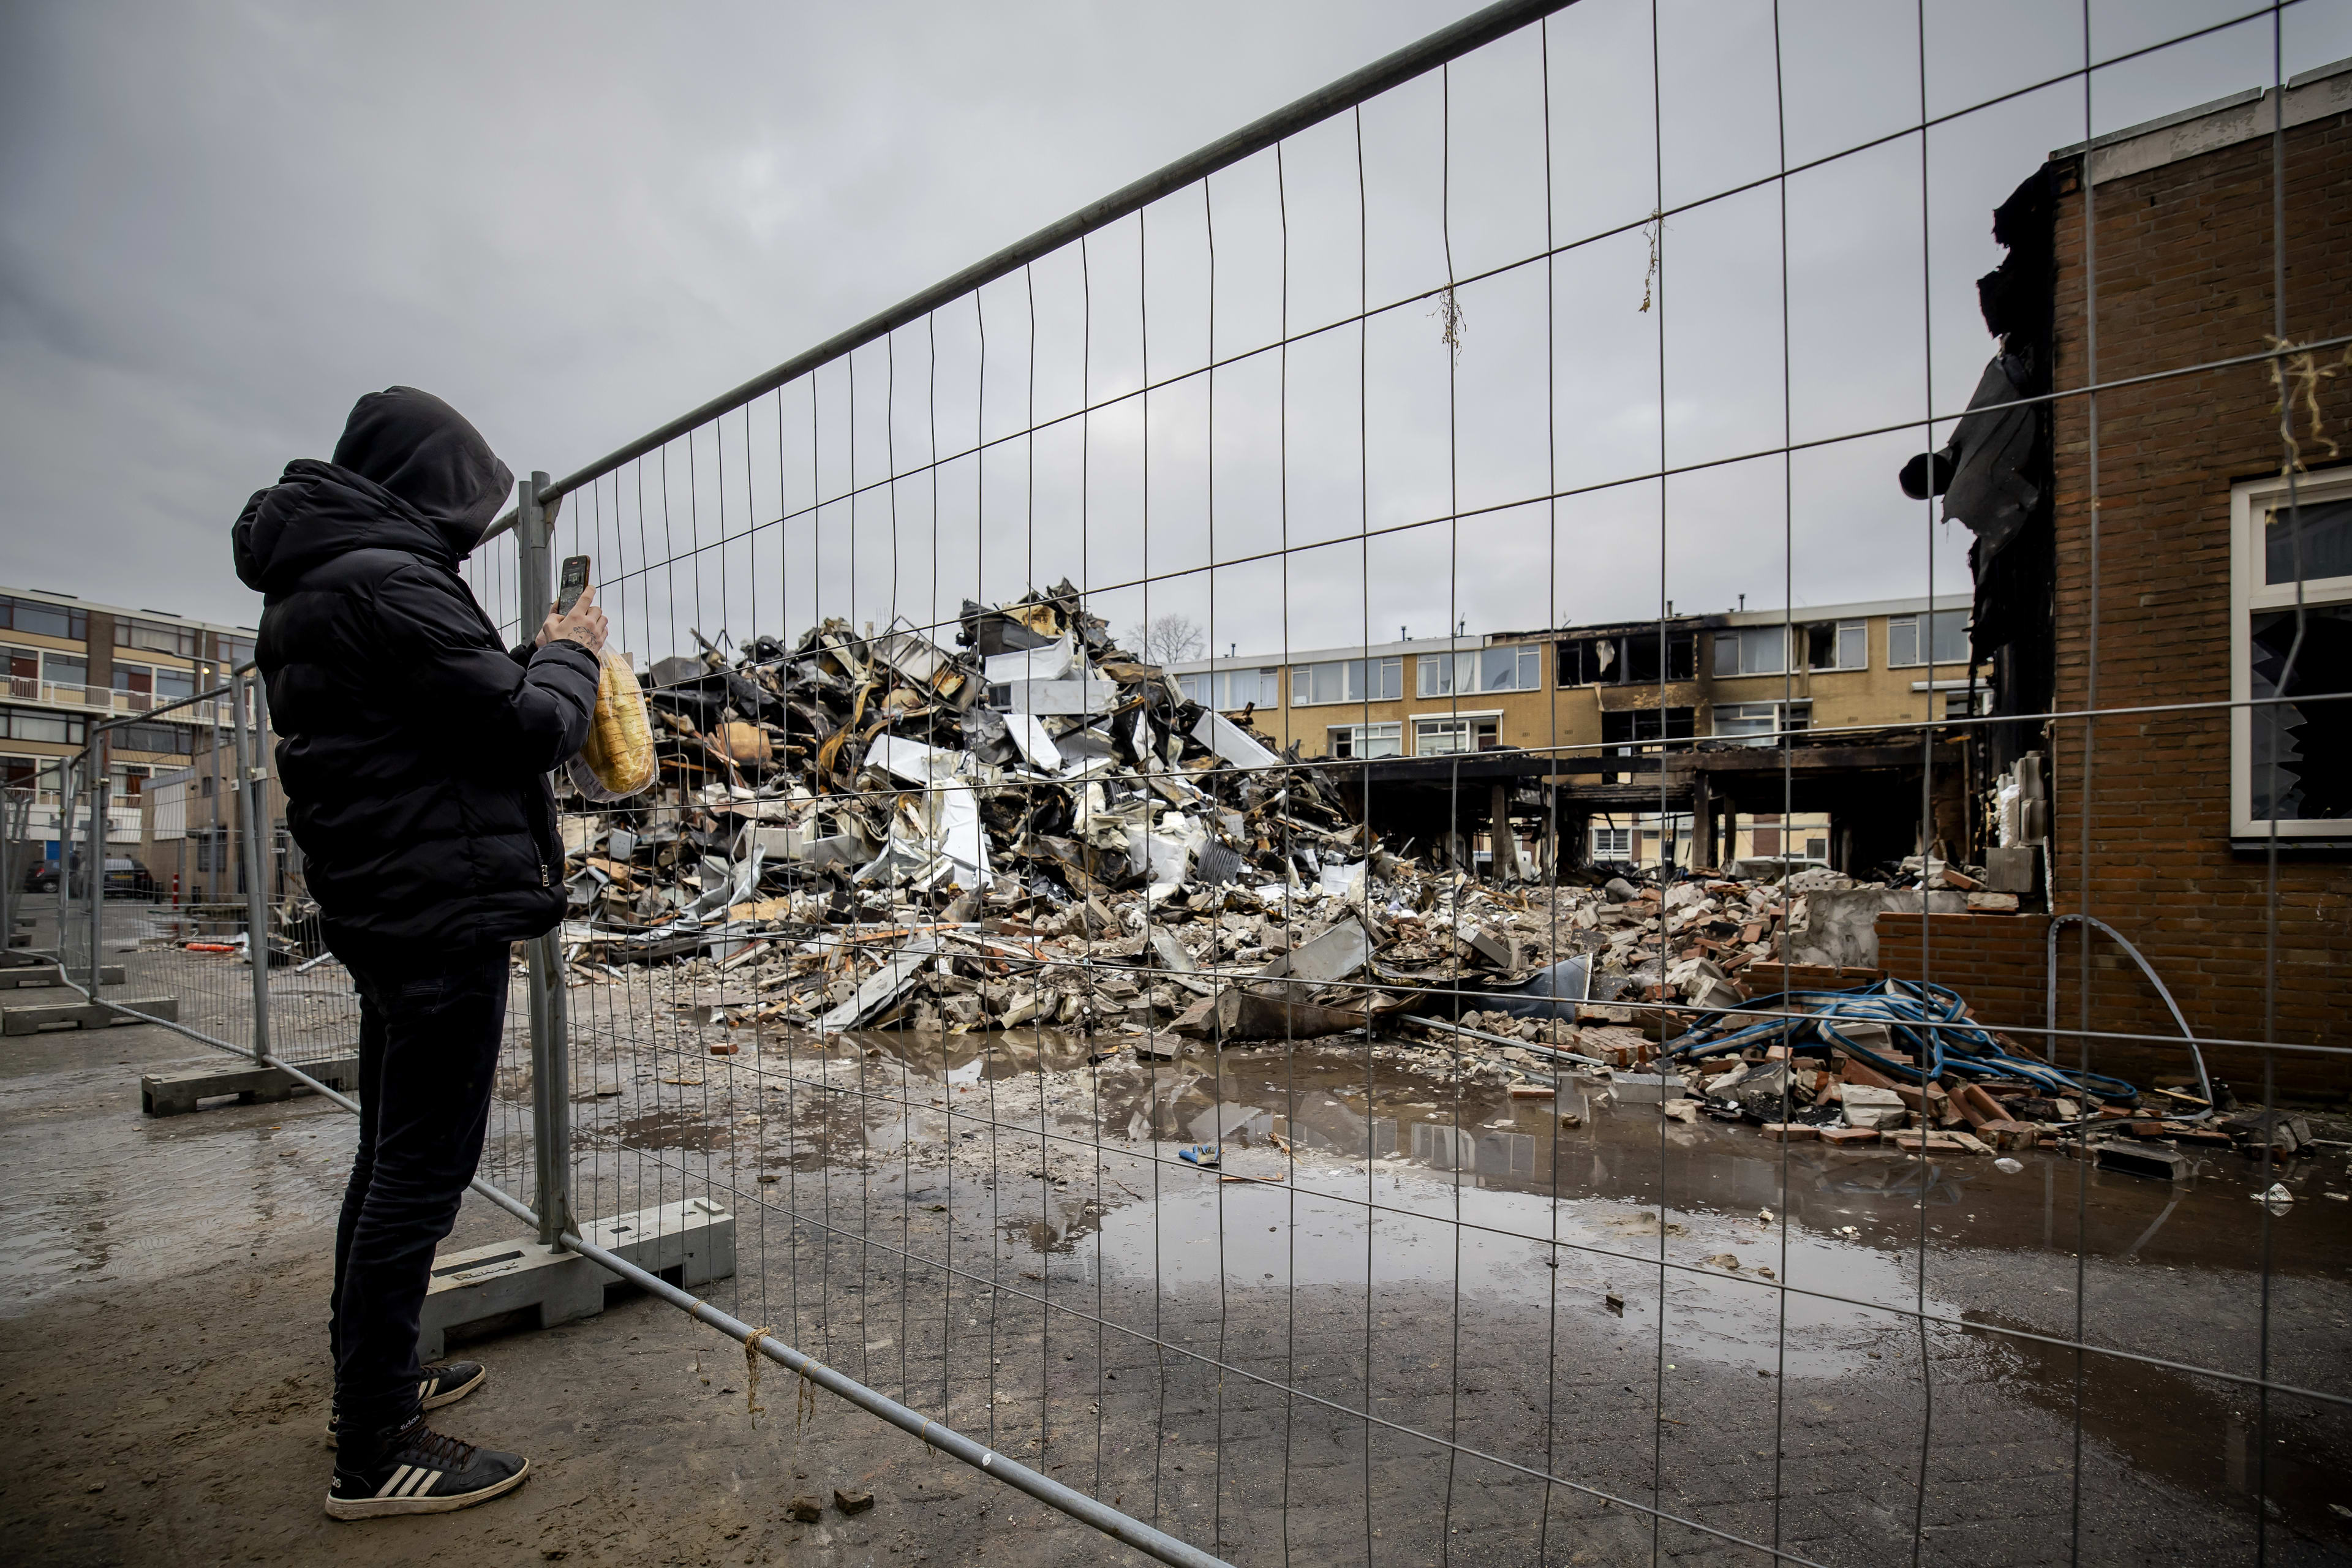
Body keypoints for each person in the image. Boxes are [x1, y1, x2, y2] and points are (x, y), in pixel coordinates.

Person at [232, 386, 606, 1519]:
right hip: (437, 910)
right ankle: (375, 1444)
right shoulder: (388, 584)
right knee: (420, 1171)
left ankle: (382, 1375)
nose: (471, 533)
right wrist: (568, 656)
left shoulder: (318, 580)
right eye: (466, 508)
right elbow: (523, 726)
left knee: (388, 1154)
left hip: (386, 905)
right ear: (424, 489)